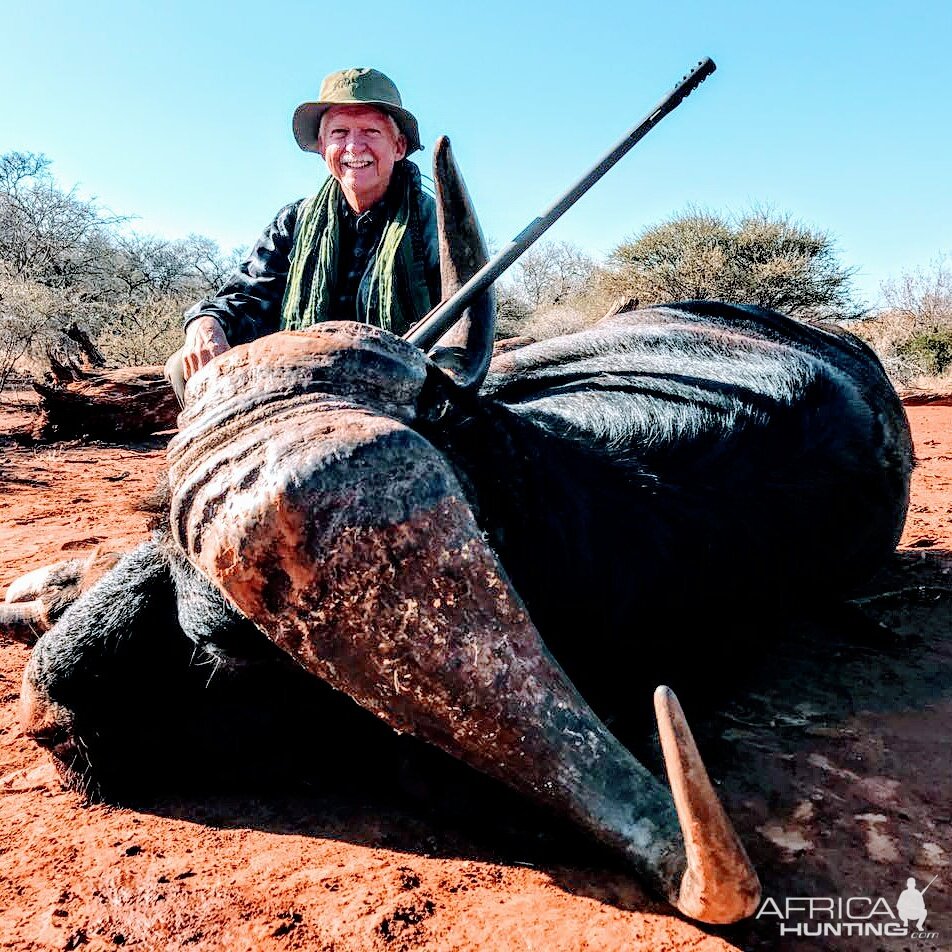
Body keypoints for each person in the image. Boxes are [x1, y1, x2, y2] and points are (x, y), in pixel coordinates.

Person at [166, 68, 441, 405]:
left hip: (401, 384)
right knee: (183, 366)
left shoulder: (435, 222)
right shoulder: (295, 220)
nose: (354, 146)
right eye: (340, 132)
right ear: (323, 146)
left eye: (371, 131)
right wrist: (205, 323)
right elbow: (247, 298)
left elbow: (462, 327)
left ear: (398, 146)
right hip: (304, 377)